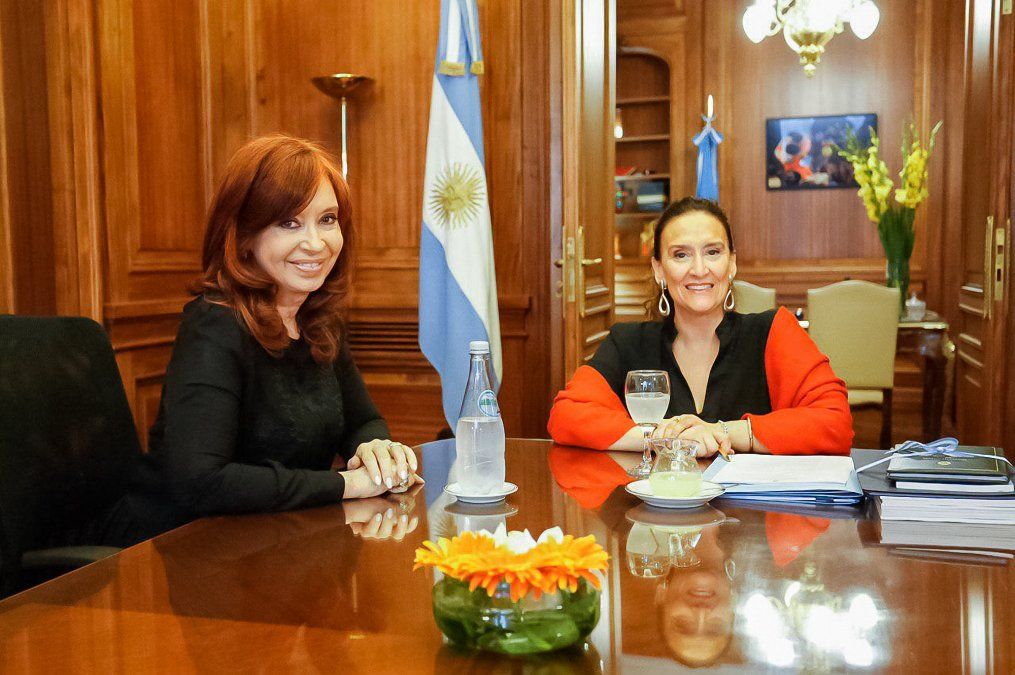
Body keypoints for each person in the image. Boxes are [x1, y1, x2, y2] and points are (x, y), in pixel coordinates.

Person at [123, 134, 421, 535]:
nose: (315, 243)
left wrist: (375, 449)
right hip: (196, 547)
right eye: (288, 223)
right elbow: (202, 481)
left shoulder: (317, 319)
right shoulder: (214, 325)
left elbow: (362, 420)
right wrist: (348, 484)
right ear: (244, 237)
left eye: (327, 220)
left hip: (286, 538)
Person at [547, 196, 853, 457]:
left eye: (713, 252)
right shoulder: (627, 342)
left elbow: (835, 423)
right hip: (655, 508)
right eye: (681, 255)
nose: (699, 269)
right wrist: (663, 439)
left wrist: (721, 433)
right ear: (659, 269)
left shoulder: (773, 331)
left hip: (755, 510)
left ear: (732, 263)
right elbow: (566, 416)